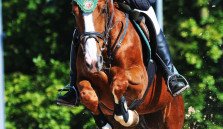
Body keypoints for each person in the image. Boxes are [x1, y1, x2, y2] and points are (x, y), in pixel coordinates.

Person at [56, 0, 189, 107]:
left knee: (151, 21)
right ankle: (73, 86)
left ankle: (171, 75)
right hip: (102, 5)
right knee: (81, 32)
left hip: (133, 3)